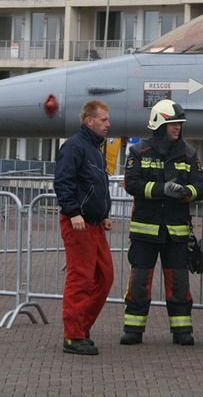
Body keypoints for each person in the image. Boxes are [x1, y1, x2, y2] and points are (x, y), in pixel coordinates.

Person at [120, 99, 203, 346]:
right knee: (139, 281)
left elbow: (202, 187)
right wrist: (161, 189)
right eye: (172, 124)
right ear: (159, 124)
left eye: (179, 124)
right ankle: (133, 330)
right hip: (145, 231)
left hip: (177, 232)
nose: (177, 128)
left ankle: (182, 331)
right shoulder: (139, 152)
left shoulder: (188, 153)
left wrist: (186, 191)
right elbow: (131, 184)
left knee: (178, 281)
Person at [53, 100, 114, 356]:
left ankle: (82, 327)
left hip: (93, 224)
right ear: (89, 121)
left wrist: (102, 215)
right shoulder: (74, 147)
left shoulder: (95, 150)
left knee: (105, 277)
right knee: (80, 278)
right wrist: (73, 211)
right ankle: (73, 335)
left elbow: (95, 187)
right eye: (103, 120)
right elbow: (63, 182)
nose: (108, 124)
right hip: (77, 224)